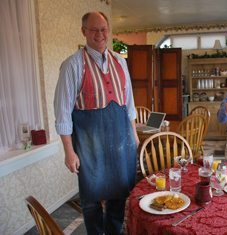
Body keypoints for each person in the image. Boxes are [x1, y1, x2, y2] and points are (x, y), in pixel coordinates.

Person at [54, 12, 139, 235]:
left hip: (120, 139)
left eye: (103, 29)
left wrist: (134, 134)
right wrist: (69, 152)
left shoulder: (120, 62)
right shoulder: (72, 66)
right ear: (84, 32)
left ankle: (113, 231)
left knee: (119, 194)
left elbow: (129, 103)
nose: (100, 34)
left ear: (108, 30)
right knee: (91, 197)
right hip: (88, 144)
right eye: (94, 30)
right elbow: (62, 112)